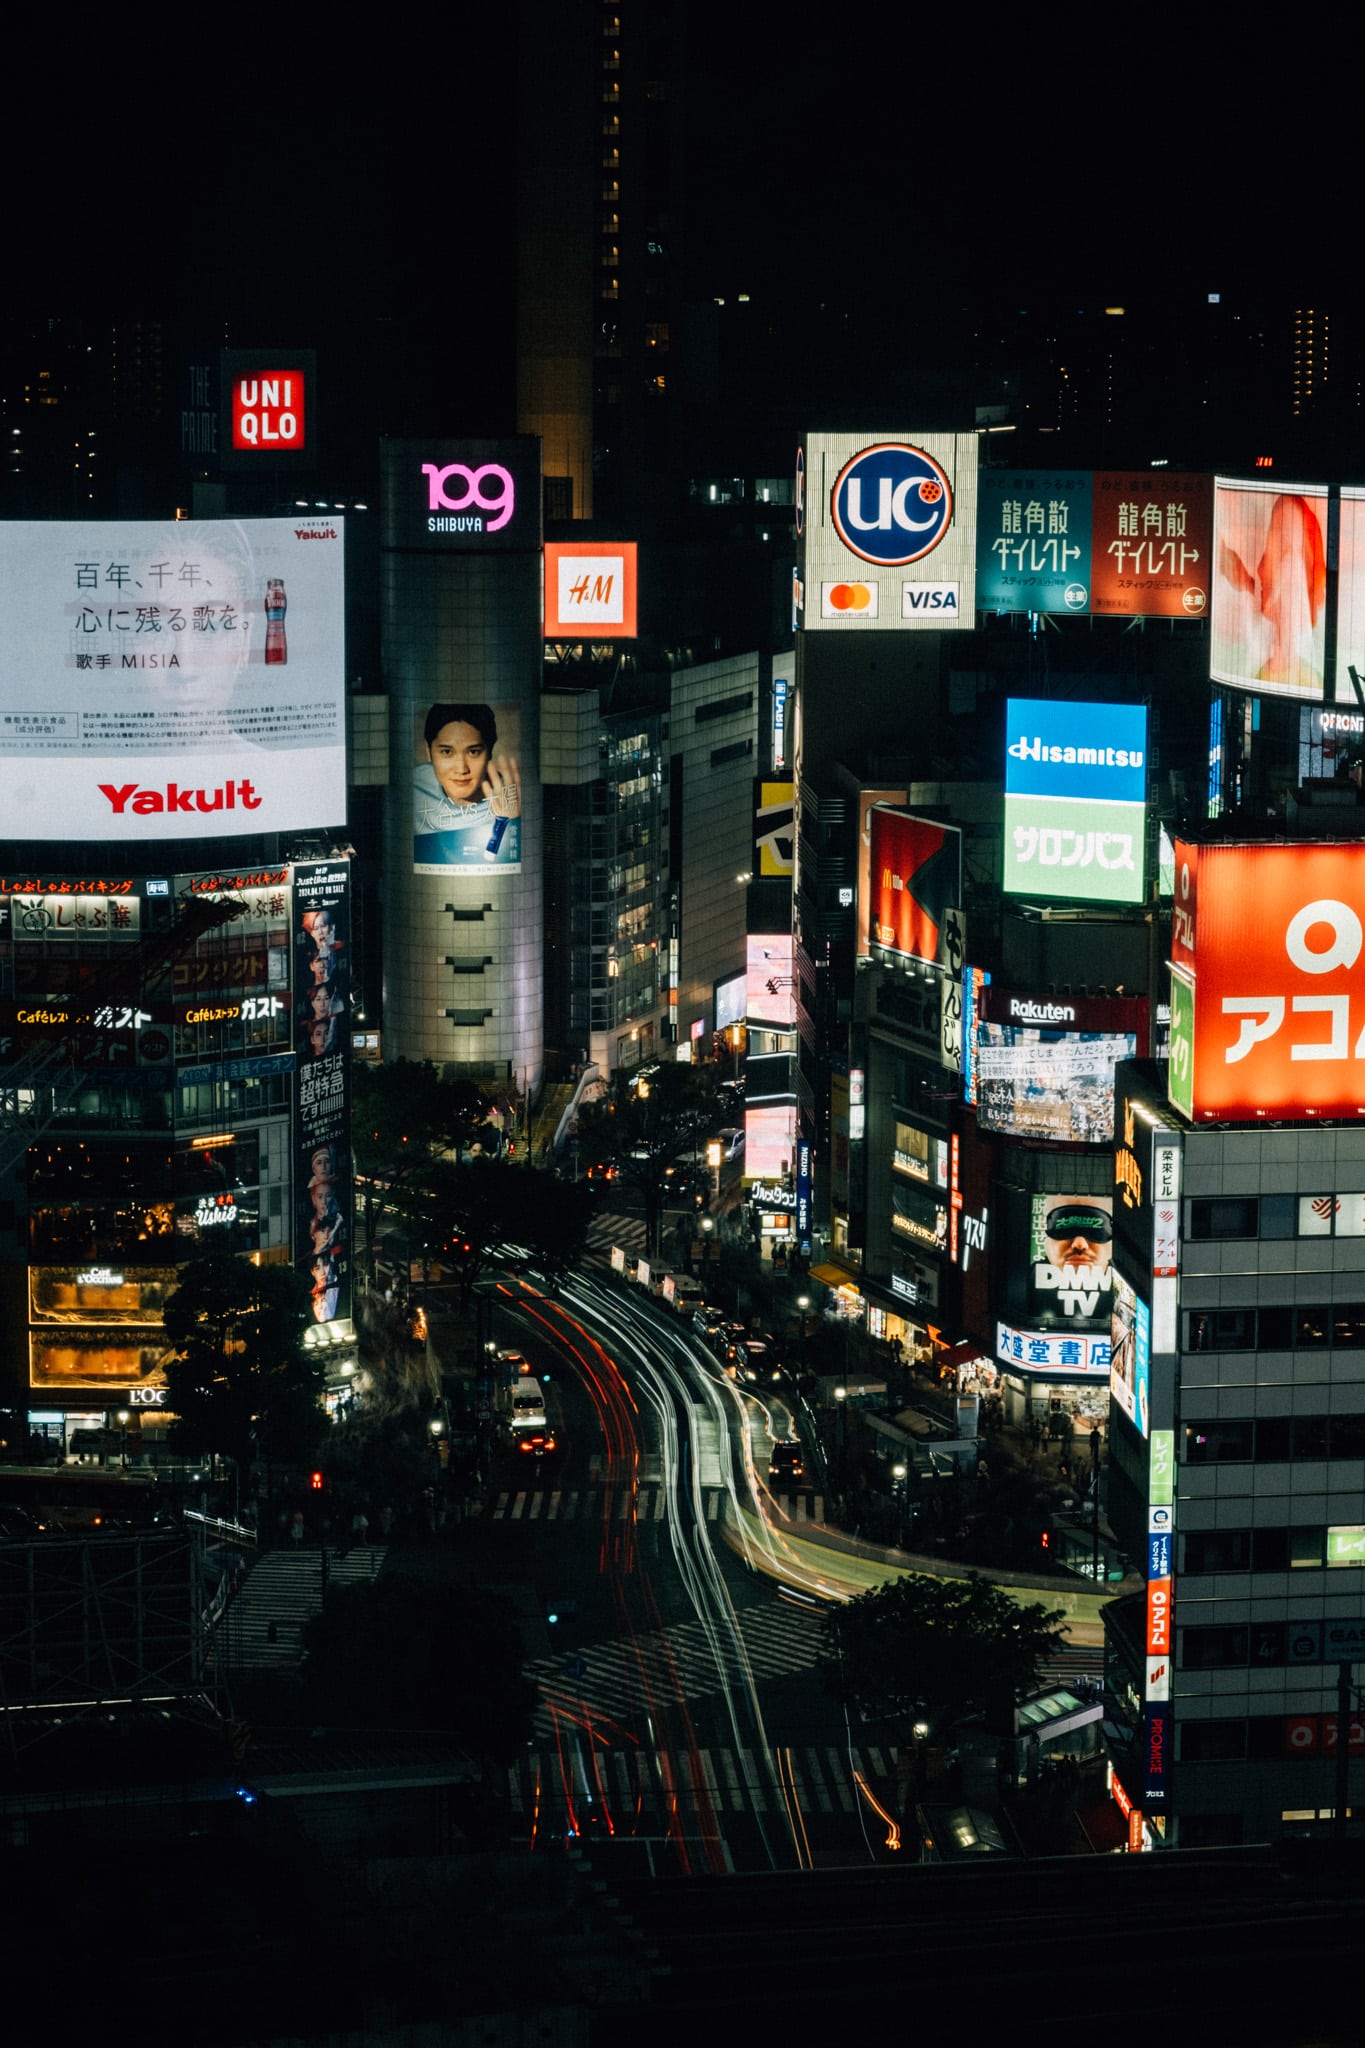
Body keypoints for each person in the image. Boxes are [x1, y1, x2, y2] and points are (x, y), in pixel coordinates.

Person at [414, 701, 522, 870]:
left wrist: (513, 823)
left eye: (473, 752)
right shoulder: (415, 785)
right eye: (447, 752)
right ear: (429, 753)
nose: (461, 769)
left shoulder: (510, 801)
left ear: (489, 752)